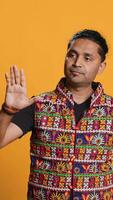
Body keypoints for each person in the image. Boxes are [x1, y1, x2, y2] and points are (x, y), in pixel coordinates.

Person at [0, 29, 112, 200]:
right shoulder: (38, 104)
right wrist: (8, 111)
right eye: (72, 55)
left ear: (101, 66)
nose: (77, 63)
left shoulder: (111, 109)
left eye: (87, 58)